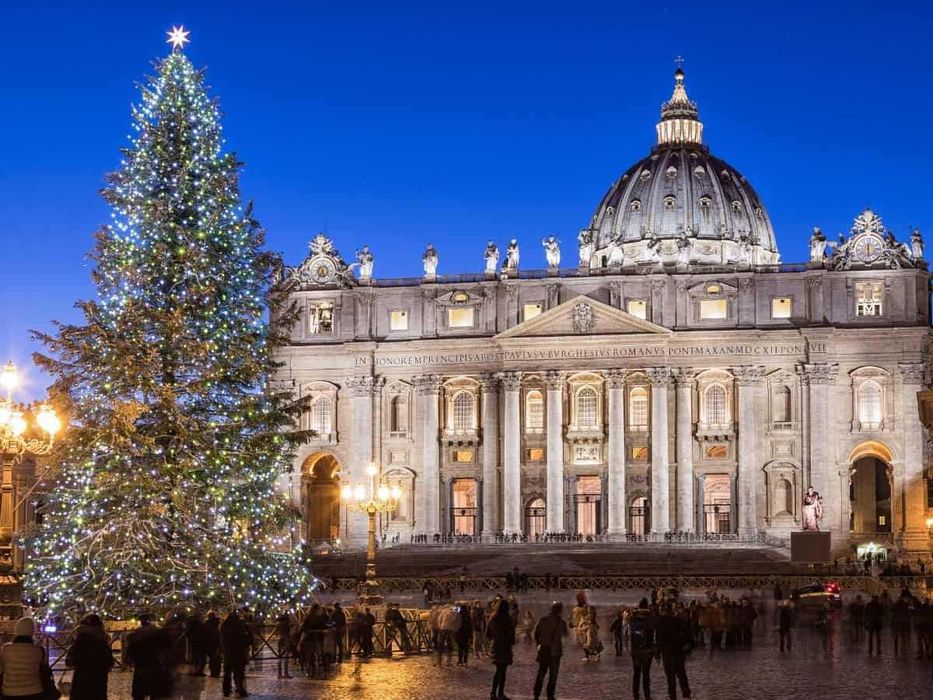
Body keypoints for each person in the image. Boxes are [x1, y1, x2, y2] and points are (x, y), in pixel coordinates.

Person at [0, 617, 55, 700]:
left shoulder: (6, 649)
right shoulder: (38, 650)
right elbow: (43, 669)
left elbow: (1, 669)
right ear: (32, 631)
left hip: (10, 691)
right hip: (34, 690)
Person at [66, 614, 114, 700]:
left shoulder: (79, 641)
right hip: (98, 683)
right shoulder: (102, 642)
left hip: (80, 683)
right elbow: (110, 662)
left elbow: (69, 662)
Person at [125, 614, 172, 700]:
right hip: (155, 665)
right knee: (154, 692)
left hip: (141, 667)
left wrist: (129, 660)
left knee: (139, 694)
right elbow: (166, 648)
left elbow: (130, 650)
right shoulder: (158, 632)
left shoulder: (134, 634)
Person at [656, 602, 692, 700]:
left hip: (667, 652)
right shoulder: (678, 620)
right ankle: (686, 694)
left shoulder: (660, 622)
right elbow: (685, 634)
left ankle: (673, 696)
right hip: (678, 651)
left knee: (670, 677)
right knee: (681, 674)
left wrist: (657, 654)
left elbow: (659, 639)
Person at [532, 602, 568, 700]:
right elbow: (565, 633)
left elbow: (536, 634)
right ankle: (550, 694)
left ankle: (536, 693)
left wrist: (539, 643)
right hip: (555, 652)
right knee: (553, 675)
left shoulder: (543, 620)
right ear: (560, 611)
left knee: (541, 673)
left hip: (544, 649)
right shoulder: (561, 622)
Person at [487, 599, 515, 700]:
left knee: (498, 670)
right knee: (502, 671)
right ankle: (500, 693)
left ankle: (493, 693)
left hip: (495, 646)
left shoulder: (493, 618)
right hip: (504, 647)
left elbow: (488, 634)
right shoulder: (507, 619)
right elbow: (511, 635)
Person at [629, 599, 655, 700]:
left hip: (636, 650)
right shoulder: (650, 618)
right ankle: (647, 695)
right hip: (647, 650)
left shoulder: (633, 618)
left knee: (636, 674)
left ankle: (636, 695)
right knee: (646, 674)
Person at [220, 610, 250, 697]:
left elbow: (221, 641)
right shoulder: (239, 629)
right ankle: (239, 689)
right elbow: (245, 641)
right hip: (238, 654)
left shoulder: (224, 629)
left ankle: (226, 690)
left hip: (228, 654)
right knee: (239, 673)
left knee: (227, 673)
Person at [275, 613, 293, 678]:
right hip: (286, 640)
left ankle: (279, 673)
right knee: (286, 657)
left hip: (280, 640)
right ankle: (285, 673)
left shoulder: (278, 624)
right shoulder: (286, 624)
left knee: (280, 657)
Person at [204, 611, 221, 677]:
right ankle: (215, 672)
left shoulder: (208, 623)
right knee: (215, 658)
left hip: (211, 643)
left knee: (213, 659)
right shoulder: (216, 623)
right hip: (214, 643)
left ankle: (214, 672)